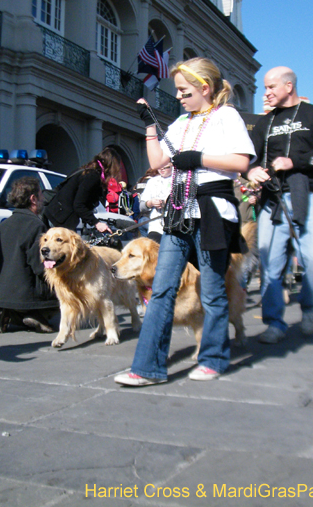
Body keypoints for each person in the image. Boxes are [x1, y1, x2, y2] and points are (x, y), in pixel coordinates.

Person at [114, 57, 254, 385]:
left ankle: (214, 358)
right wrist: (149, 126)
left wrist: (200, 159)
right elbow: (159, 161)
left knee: (213, 290)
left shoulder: (226, 116)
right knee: (161, 290)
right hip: (178, 214)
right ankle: (147, 367)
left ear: (204, 88)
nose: (178, 95)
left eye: (183, 90)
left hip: (213, 211)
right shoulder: (180, 123)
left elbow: (241, 161)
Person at [246, 66, 313, 344]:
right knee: (270, 265)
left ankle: (309, 307)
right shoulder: (264, 123)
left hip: (308, 193)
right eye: (265, 88)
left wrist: (294, 162)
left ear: (288, 86)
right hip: (273, 199)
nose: (267, 93)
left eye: (271, 87)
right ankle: (274, 322)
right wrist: (251, 172)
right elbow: (249, 156)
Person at [0, 177, 58, 333]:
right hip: (25, 295)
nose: (43, 200)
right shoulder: (36, 225)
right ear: (33, 199)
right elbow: (40, 267)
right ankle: (29, 313)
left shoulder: (3, 225)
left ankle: (7, 312)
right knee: (62, 280)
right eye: (40, 196)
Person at [43, 147, 122, 235]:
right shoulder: (92, 176)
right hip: (60, 219)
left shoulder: (86, 171)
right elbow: (79, 205)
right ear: (111, 165)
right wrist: (97, 223)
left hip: (56, 214)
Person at [139, 162, 173, 243]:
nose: (161, 169)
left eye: (165, 167)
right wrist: (150, 203)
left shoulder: (178, 180)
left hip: (173, 226)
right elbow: (141, 207)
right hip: (155, 227)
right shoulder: (152, 181)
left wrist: (166, 203)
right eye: (159, 167)